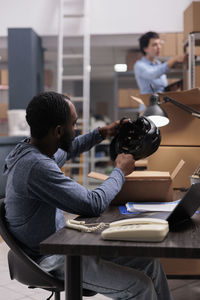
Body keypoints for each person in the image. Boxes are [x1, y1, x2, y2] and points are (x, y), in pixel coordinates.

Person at [4, 91, 172, 300]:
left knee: (150, 265)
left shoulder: (34, 148)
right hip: (49, 256)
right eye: (73, 124)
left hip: (61, 243)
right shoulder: (36, 167)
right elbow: (93, 204)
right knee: (140, 286)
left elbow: (68, 148)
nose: (75, 130)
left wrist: (101, 133)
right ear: (57, 131)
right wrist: (119, 171)